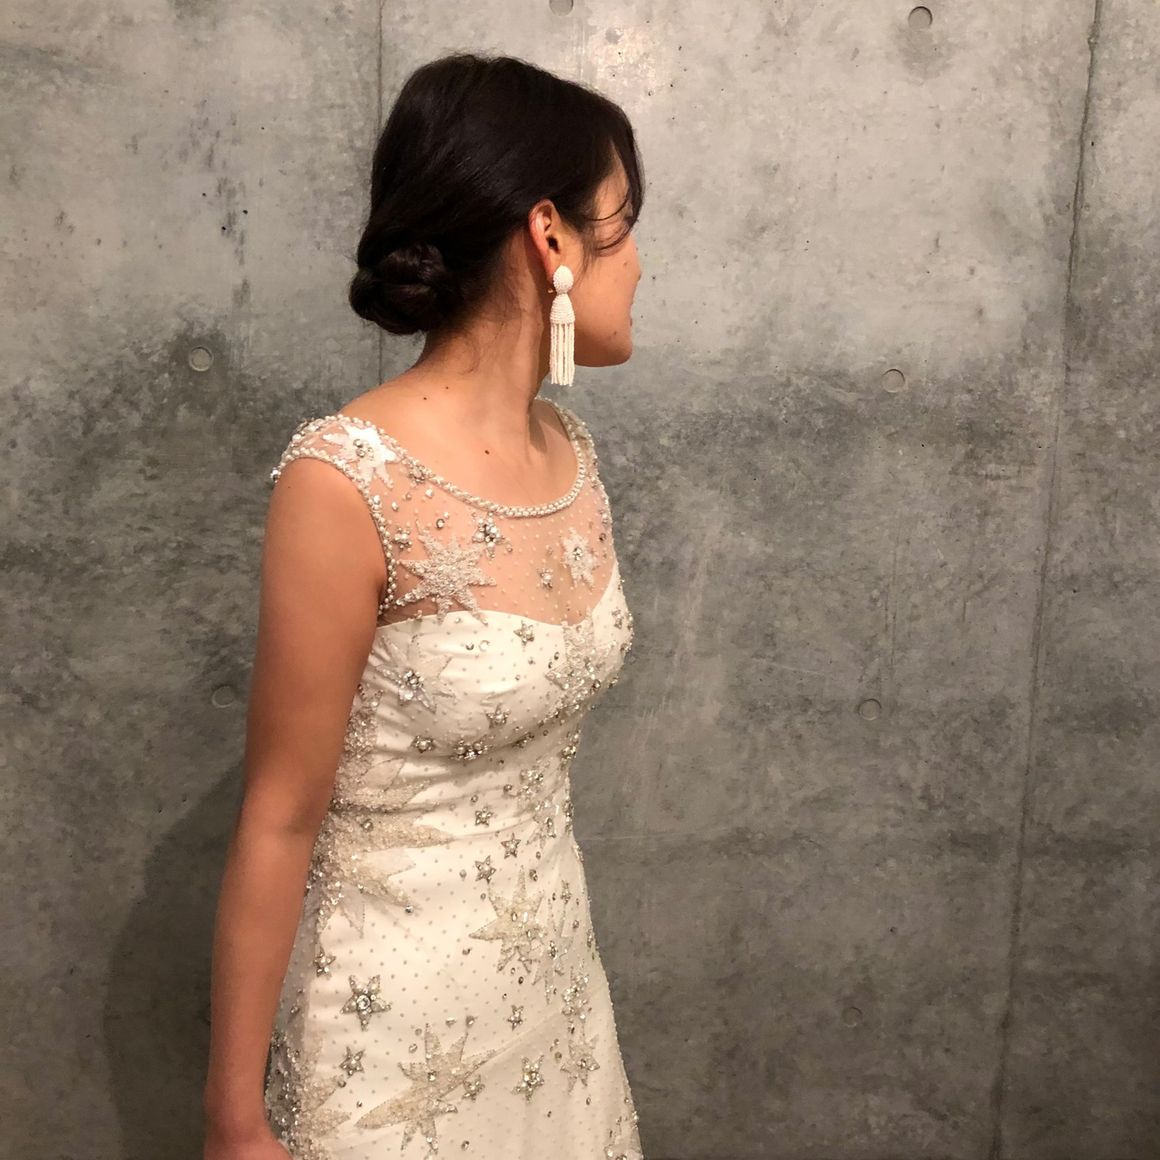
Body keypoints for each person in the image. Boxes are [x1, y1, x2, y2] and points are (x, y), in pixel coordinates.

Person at [202, 51, 646, 1160]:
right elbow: (278, 814)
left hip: (553, 1003)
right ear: (550, 238)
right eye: (623, 225)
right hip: (388, 1036)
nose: (641, 265)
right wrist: (233, 1122)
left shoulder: (571, 454)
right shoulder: (346, 478)